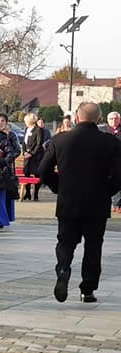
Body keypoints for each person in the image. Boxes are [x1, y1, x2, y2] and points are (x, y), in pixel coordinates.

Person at [38, 102, 121, 303]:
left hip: (68, 201)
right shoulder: (111, 142)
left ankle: (64, 268)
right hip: (97, 204)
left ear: (76, 118)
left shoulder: (60, 140)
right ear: (100, 119)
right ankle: (87, 290)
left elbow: (43, 170)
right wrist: (107, 192)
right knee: (93, 247)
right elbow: (119, 176)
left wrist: (58, 186)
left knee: (65, 242)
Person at [21, 113, 44, 201]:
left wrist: (32, 153)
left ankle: (36, 194)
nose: (25, 123)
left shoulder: (38, 130)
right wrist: (24, 152)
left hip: (36, 156)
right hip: (27, 155)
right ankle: (27, 193)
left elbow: (39, 144)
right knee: (26, 173)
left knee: (36, 174)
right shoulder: (27, 129)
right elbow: (24, 142)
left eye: (26, 121)